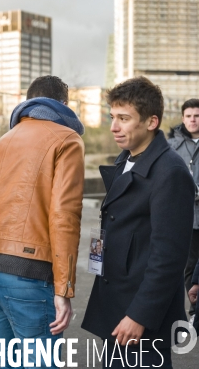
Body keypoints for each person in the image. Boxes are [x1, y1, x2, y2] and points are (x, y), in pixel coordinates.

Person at [81, 77, 194, 368]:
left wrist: (140, 315)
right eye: (112, 117)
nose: (114, 127)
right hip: (116, 304)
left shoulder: (170, 172)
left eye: (124, 118)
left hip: (139, 315)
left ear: (151, 121)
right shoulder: (127, 159)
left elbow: (168, 257)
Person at [0, 75, 84, 367]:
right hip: (29, 272)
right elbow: (64, 218)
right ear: (63, 104)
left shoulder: (2, 141)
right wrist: (64, 288)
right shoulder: (67, 139)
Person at [167, 98, 199, 323]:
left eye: (196, 116)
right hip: (186, 215)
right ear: (182, 118)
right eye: (188, 116)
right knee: (190, 265)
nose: (193, 120)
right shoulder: (172, 145)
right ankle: (195, 308)